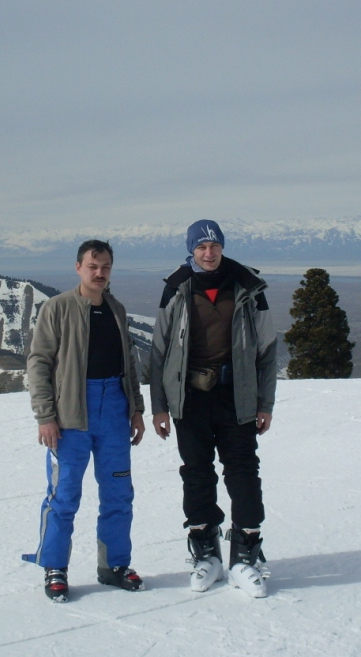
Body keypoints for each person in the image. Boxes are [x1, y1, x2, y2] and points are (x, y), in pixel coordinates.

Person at [149, 220, 277, 598]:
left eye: (214, 246)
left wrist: (265, 403)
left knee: (243, 472)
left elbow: (267, 350)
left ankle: (245, 556)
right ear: (191, 249)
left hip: (237, 395)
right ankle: (207, 553)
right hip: (189, 397)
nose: (209, 253)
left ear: (222, 247)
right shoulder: (177, 287)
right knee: (197, 473)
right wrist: (159, 406)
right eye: (201, 247)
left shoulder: (248, 286)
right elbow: (159, 350)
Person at [22, 239, 146, 602]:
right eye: (93, 266)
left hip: (115, 410)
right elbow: (39, 363)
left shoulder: (116, 309)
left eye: (105, 267)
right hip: (70, 415)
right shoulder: (58, 308)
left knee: (119, 495)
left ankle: (114, 566)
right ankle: (55, 567)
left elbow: (129, 362)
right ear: (78, 267)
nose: (99, 273)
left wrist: (136, 409)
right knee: (64, 495)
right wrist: (46, 416)